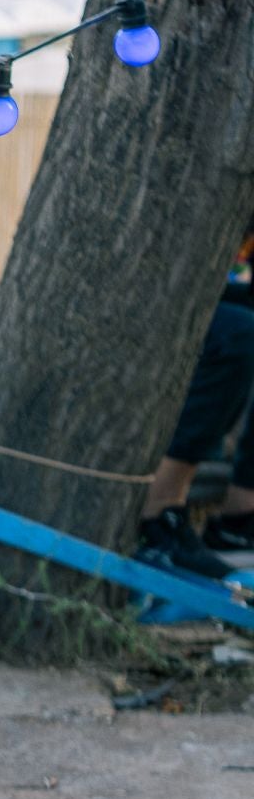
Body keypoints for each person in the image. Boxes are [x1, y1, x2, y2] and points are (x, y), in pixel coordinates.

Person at [136, 221, 254, 576]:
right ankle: (159, 510)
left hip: (213, 289)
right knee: (239, 338)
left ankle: (240, 517)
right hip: (153, 289)